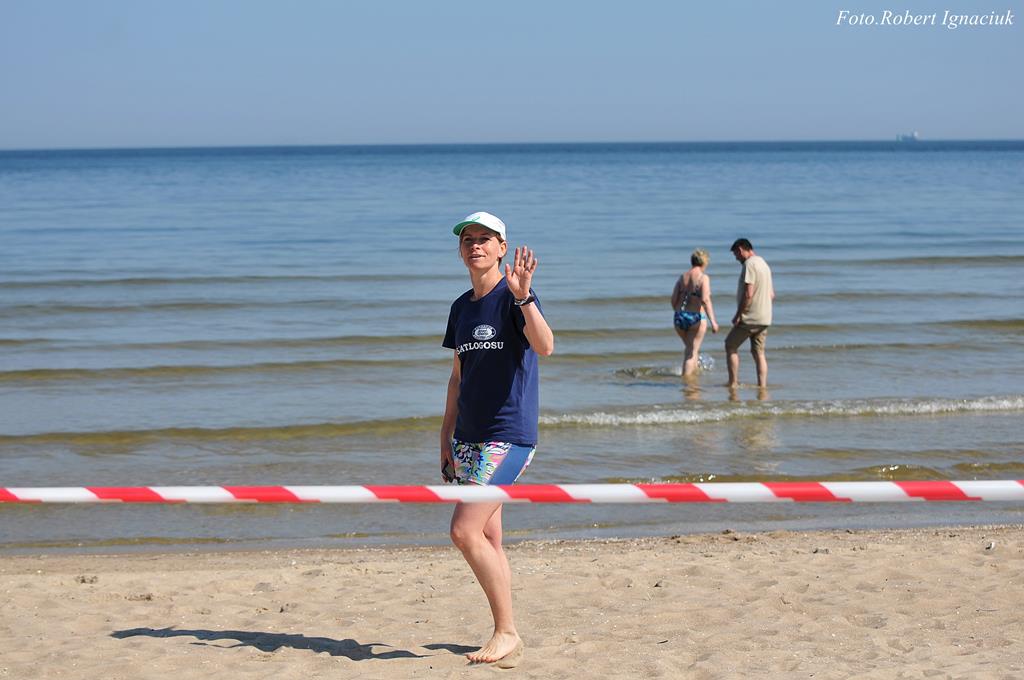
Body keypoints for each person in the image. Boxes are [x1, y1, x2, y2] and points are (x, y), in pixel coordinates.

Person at [440, 211, 555, 667]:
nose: (475, 245)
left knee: (463, 530)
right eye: (468, 239)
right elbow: (457, 377)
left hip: (509, 437)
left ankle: (506, 631)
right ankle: (508, 634)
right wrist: (445, 436)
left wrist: (524, 297)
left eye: (485, 238)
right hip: (468, 437)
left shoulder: (514, 296)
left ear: (502, 247)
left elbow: (545, 346)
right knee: (489, 536)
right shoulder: (461, 307)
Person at [725, 238, 774, 388]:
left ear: (741, 250)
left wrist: (738, 315)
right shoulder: (764, 264)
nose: (736, 258)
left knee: (730, 345)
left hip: (750, 318)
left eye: (736, 255)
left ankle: (733, 383)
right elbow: (772, 294)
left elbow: (748, 294)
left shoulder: (749, 264)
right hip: (764, 317)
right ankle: (762, 386)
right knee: (759, 353)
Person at [671, 248, 719, 376]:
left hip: (679, 317)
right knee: (691, 353)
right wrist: (713, 322)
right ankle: (687, 382)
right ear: (704, 262)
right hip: (696, 317)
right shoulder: (703, 278)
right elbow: (705, 300)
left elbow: (673, 300)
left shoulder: (682, 277)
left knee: (690, 349)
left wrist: (679, 312)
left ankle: (694, 375)